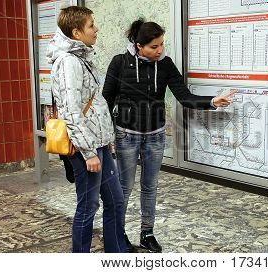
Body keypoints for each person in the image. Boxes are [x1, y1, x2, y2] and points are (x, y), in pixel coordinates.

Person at [102, 19, 234, 253]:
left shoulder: (165, 65)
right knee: (125, 187)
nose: (160, 50)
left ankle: (147, 233)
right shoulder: (120, 63)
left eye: (162, 44)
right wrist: (106, 136)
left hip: (155, 135)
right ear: (139, 45)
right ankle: (117, 233)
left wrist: (212, 102)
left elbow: (184, 96)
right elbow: (106, 100)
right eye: (154, 46)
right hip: (126, 135)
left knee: (150, 186)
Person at [47, 6, 128, 253]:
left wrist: (106, 139)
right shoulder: (69, 62)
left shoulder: (81, 57)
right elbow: (71, 112)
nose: (96, 29)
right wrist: (89, 152)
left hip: (99, 143)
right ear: (76, 32)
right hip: (85, 148)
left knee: (115, 200)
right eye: (91, 25)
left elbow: (95, 104)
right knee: (88, 205)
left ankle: (116, 254)